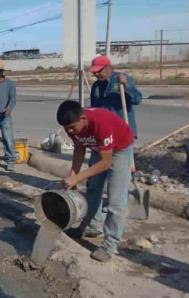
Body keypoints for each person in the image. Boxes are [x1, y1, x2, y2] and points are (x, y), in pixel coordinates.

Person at [56, 100, 134, 263]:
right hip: (99, 148)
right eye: (66, 128)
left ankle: (110, 245)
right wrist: (74, 174)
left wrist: (77, 177)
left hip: (120, 149)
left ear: (83, 119)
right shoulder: (72, 126)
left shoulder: (101, 123)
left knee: (115, 199)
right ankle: (92, 227)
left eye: (72, 127)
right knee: (92, 189)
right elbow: (79, 147)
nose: (69, 131)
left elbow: (106, 162)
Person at [89, 55, 142, 138]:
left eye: (99, 71)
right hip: (105, 131)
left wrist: (126, 85)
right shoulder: (96, 86)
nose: (96, 74)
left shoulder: (121, 79)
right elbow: (94, 109)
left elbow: (137, 99)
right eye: (94, 72)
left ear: (108, 68)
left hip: (123, 129)